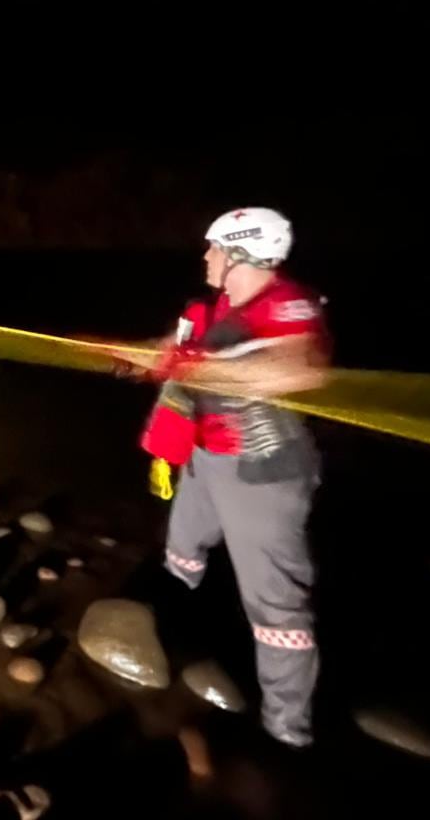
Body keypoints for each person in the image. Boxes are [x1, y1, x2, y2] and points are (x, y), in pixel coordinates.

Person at [136, 207, 330, 748]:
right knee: (181, 549)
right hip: (207, 456)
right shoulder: (216, 307)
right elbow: (180, 352)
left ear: (240, 253)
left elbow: (300, 370)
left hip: (262, 472)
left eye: (213, 247)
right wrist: (137, 355)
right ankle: (174, 641)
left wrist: (200, 369)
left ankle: (287, 729)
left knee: (275, 603)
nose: (205, 256)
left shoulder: (286, 304)